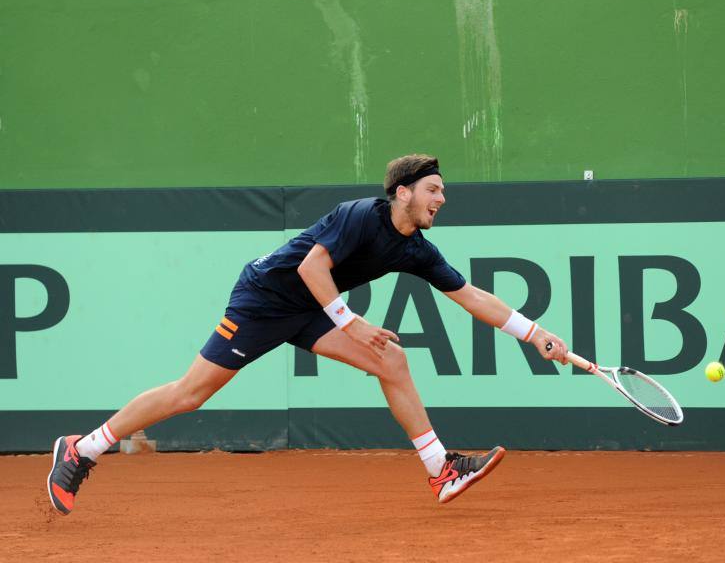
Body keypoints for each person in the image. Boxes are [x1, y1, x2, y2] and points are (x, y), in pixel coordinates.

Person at [46, 154, 568, 515]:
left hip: (311, 308)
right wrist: (352, 323)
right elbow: (312, 269)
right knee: (191, 393)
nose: (442, 199)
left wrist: (534, 333)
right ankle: (82, 448)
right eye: (434, 190)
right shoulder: (360, 215)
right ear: (403, 192)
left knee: (392, 361)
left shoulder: (416, 250)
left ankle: (440, 469)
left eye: (443, 191)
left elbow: (471, 295)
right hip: (265, 298)